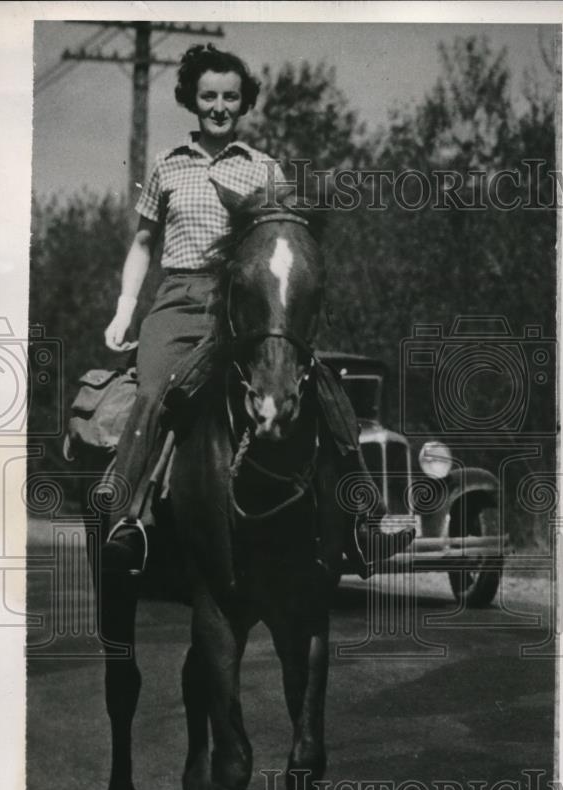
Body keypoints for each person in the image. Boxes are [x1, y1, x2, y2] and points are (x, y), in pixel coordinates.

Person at [102, 43, 413, 576]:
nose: (219, 105)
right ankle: (129, 518)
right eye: (208, 96)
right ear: (191, 101)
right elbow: (144, 242)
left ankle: (363, 519)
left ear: (243, 103)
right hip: (179, 298)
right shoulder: (167, 166)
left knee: (318, 383)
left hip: (246, 302)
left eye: (230, 96)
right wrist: (125, 308)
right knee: (154, 390)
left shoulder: (264, 170)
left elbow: (284, 243)